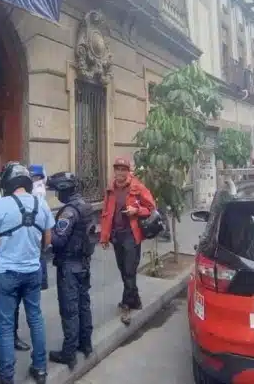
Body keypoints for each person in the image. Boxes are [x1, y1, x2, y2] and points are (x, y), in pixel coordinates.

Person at [0, 163, 55, 384]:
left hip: (7, 272)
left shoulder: (0, 206)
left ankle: (7, 377)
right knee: (35, 319)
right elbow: (47, 241)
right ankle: (41, 369)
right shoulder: (42, 204)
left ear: (8, 183)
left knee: (5, 326)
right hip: (32, 271)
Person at [45, 171, 96, 370]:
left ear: (64, 191)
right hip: (84, 264)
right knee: (84, 305)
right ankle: (86, 345)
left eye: (57, 190)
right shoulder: (86, 206)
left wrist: (48, 230)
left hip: (69, 267)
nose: (56, 194)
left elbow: (58, 240)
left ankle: (69, 354)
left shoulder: (69, 212)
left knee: (70, 310)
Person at [99, 157, 155, 325]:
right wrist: (104, 237)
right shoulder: (110, 189)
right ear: (114, 171)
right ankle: (135, 299)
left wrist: (136, 210)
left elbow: (152, 208)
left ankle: (127, 306)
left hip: (132, 235)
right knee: (123, 270)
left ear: (128, 171)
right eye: (118, 169)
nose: (120, 172)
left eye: (124, 169)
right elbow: (105, 214)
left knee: (130, 271)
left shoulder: (137, 187)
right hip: (117, 236)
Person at [0, 162, 31, 360]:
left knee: (15, 302)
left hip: (15, 257)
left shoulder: (15, 200)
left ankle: (12, 337)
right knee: (1, 305)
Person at [29, 164, 49, 291]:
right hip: (42, 220)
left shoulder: (36, 190)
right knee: (41, 252)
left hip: (37, 221)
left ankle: (41, 281)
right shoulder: (41, 185)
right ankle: (43, 281)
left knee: (39, 253)